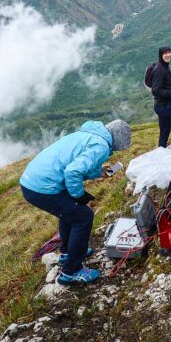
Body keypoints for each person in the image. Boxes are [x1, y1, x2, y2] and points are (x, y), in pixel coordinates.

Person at [20, 119, 132, 285]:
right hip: (42, 187)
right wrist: (79, 196)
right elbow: (73, 172)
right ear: (118, 140)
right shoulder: (101, 146)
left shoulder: (89, 134)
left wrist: (98, 172)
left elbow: (75, 164)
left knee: (70, 213)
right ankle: (71, 270)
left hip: (31, 182)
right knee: (83, 216)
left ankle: (67, 252)